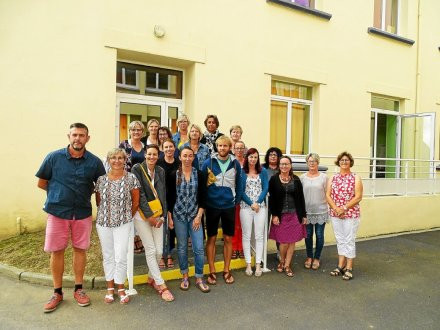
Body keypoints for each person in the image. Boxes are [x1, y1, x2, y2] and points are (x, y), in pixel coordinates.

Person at [36, 123, 106, 313]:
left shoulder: (95, 162)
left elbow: (99, 186)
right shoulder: (53, 157)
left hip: (82, 212)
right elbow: (42, 183)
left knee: (80, 250)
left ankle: (79, 289)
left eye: (82, 135)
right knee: (56, 251)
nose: (78, 139)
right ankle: (57, 292)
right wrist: (59, 194)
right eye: (74, 135)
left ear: (87, 138)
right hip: (57, 212)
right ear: (69, 136)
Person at [95, 148, 140, 305]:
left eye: (120, 158)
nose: (117, 161)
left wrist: (125, 217)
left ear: (125, 160)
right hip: (104, 223)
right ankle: (109, 288)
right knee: (108, 255)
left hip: (123, 223)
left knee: (121, 255)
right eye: (113, 158)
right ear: (108, 160)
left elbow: (136, 202)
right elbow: (98, 201)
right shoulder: (101, 180)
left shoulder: (131, 178)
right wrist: (107, 214)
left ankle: (120, 287)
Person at [131, 144, 174, 301]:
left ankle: (151, 277)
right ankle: (161, 285)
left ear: (158, 155)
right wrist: (149, 217)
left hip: (158, 215)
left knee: (159, 252)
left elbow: (163, 194)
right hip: (141, 216)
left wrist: (162, 215)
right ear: (145, 154)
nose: (152, 157)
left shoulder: (161, 170)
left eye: (155, 154)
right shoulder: (137, 169)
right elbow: (139, 193)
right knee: (150, 250)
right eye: (149, 154)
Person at [167, 147, 210, 293]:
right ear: (180, 157)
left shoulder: (200, 174)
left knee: (198, 247)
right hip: (178, 215)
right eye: (184, 156)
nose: (187, 158)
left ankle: (199, 277)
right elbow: (170, 197)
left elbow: (204, 197)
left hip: (195, 216)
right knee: (182, 247)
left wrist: (199, 216)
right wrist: (170, 217)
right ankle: (184, 275)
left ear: (193, 158)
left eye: (190, 156)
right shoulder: (174, 175)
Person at [202, 136, 242, 285]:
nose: (222, 148)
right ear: (216, 146)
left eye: (225, 146)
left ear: (230, 147)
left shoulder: (235, 164)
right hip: (212, 206)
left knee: (228, 239)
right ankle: (212, 271)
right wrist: (205, 202)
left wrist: (235, 201)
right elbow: (203, 185)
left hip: (228, 206)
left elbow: (240, 184)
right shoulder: (209, 162)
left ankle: (226, 270)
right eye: (220, 146)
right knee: (211, 238)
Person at [326, 151, 363, 281]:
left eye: (347, 160)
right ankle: (340, 266)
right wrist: (336, 209)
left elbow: (358, 197)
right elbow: (328, 195)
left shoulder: (356, 177)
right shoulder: (333, 178)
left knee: (349, 239)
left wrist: (344, 208)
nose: (344, 162)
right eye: (342, 160)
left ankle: (349, 268)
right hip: (335, 213)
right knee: (340, 239)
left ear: (350, 162)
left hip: (350, 214)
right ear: (338, 162)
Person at [268, 156, 307, 277]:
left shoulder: (295, 179)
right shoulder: (274, 179)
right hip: (281, 214)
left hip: (295, 214)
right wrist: (274, 215)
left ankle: (287, 265)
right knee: (283, 242)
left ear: (290, 166)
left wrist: (303, 215)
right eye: (282, 164)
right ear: (279, 166)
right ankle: (282, 261)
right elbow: (272, 199)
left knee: (292, 242)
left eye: (286, 164)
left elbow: (301, 198)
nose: (284, 166)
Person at [239, 148, 269, 277]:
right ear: (247, 158)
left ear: (258, 159)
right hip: (246, 208)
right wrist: (251, 204)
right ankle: (248, 264)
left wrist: (258, 202)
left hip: (260, 208)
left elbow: (265, 187)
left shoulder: (263, 171)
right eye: (251, 157)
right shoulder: (241, 172)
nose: (253, 159)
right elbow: (240, 191)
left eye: (255, 157)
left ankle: (258, 264)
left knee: (259, 236)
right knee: (246, 235)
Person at [119, 120, 147, 254]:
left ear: (142, 132)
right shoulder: (124, 144)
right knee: (130, 209)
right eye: (133, 130)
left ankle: (138, 236)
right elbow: (119, 162)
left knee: (139, 209)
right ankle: (131, 239)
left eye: (139, 130)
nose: (136, 132)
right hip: (128, 183)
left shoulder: (144, 146)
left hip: (142, 183)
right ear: (130, 131)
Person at [300, 153, 329, 271]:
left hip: (321, 211)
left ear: (318, 163)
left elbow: (328, 194)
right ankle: (309, 257)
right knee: (307, 236)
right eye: (310, 161)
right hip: (306, 212)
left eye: (314, 161)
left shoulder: (324, 177)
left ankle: (317, 258)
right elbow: (299, 196)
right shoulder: (302, 178)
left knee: (319, 235)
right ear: (307, 163)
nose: (312, 163)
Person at [157, 139, 181, 269]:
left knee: (171, 229)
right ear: (162, 149)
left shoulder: (179, 163)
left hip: (175, 199)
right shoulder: (158, 163)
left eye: (171, 147)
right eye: (166, 147)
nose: (168, 149)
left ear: (174, 148)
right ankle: (161, 255)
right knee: (161, 228)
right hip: (161, 200)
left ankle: (170, 254)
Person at [231, 140, 246, 259]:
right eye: (237, 148)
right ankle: (234, 247)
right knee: (234, 223)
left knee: (242, 224)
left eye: (242, 148)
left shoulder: (248, 163)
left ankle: (241, 247)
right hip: (233, 196)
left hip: (245, 197)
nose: (239, 150)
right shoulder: (230, 162)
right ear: (233, 149)